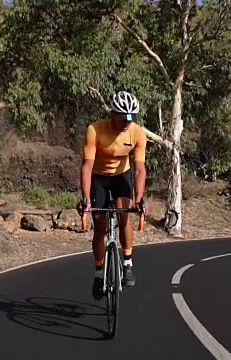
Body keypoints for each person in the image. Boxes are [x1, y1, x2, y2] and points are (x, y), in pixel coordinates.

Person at [78, 90, 148, 301]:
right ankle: (99, 274)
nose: (127, 122)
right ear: (112, 114)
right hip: (98, 177)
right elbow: (87, 165)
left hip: (121, 176)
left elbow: (139, 169)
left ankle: (127, 263)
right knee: (100, 225)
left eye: (131, 117)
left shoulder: (137, 133)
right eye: (122, 117)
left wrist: (139, 198)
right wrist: (86, 198)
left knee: (124, 215)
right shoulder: (95, 130)